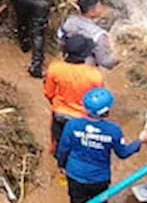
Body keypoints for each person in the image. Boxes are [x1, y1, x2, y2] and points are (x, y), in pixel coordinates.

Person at [56, 87, 147, 203]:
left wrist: (61, 166)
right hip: (99, 178)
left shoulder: (72, 125)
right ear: (106, 111)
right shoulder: (113, 131)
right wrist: (140, 141)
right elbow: (123, 153)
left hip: (75, 174)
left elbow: (63, 149)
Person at [42, 34, 103, 162]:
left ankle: (58, 169)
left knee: (57, 145)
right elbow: (98, 101)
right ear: (86, 54)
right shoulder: (95, 76)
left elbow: (48, 93)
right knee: (78, 150)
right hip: (82, 118)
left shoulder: (55, 68)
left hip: (59, 114)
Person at [58, 0, 118, 69]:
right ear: (92, 12)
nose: (102, 8)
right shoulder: (98, 35)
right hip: (86, 71)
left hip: (67, 65)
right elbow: (104, 62)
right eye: (99, 6)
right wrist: (120, 56)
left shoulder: (69, 22)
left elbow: (61, 40)